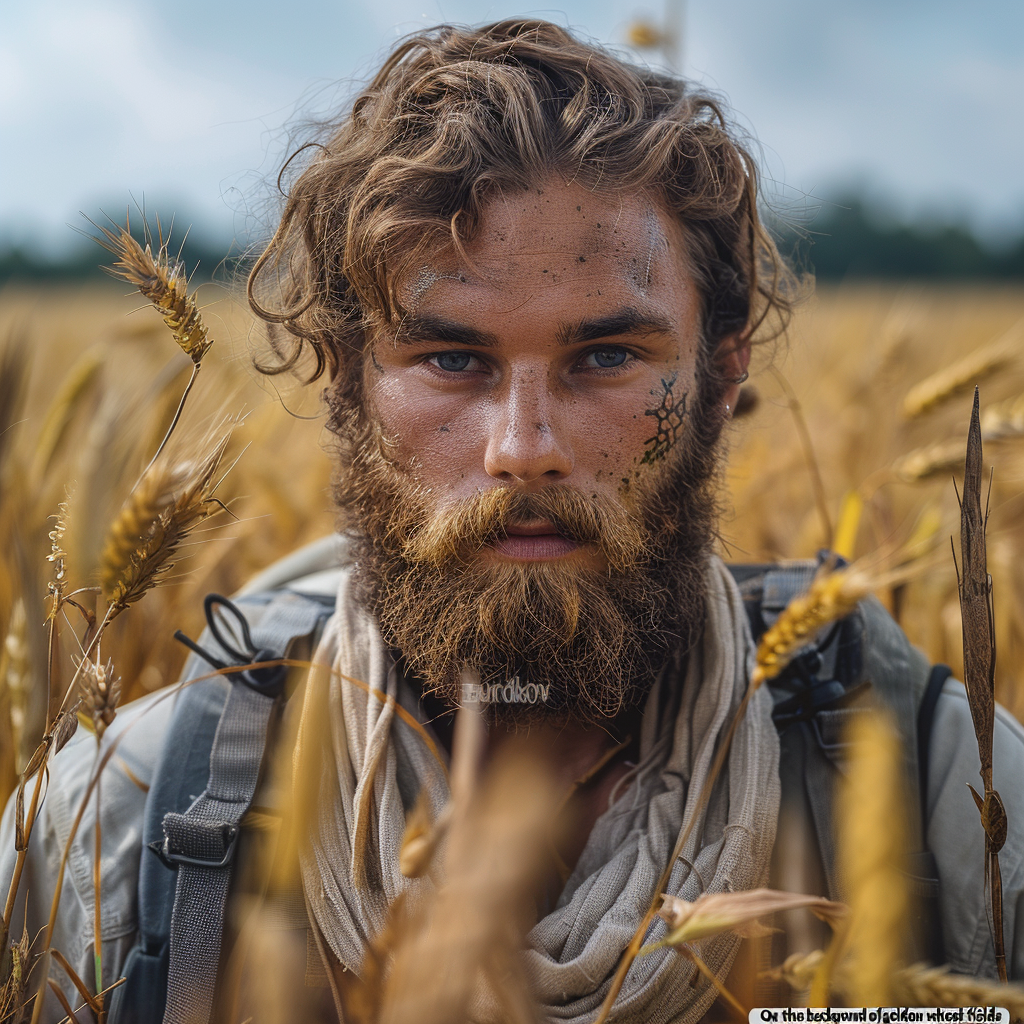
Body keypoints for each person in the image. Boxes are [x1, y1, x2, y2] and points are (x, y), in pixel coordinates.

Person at [3, 19, 1023, 1024]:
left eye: (607, 356)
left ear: (721, 372)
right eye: (451, 360)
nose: (522, 445)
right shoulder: (108, 828)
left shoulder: (961, 800)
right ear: (344, 381)